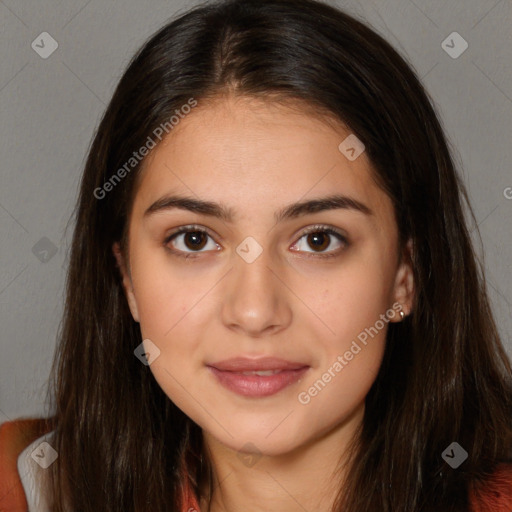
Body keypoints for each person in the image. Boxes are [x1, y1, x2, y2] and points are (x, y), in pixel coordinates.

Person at [1, 0, 511, 510]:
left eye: (318, 240)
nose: (254, 311)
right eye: (194, 239)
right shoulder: (25, 488)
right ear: (126, 276)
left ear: (405, 274)